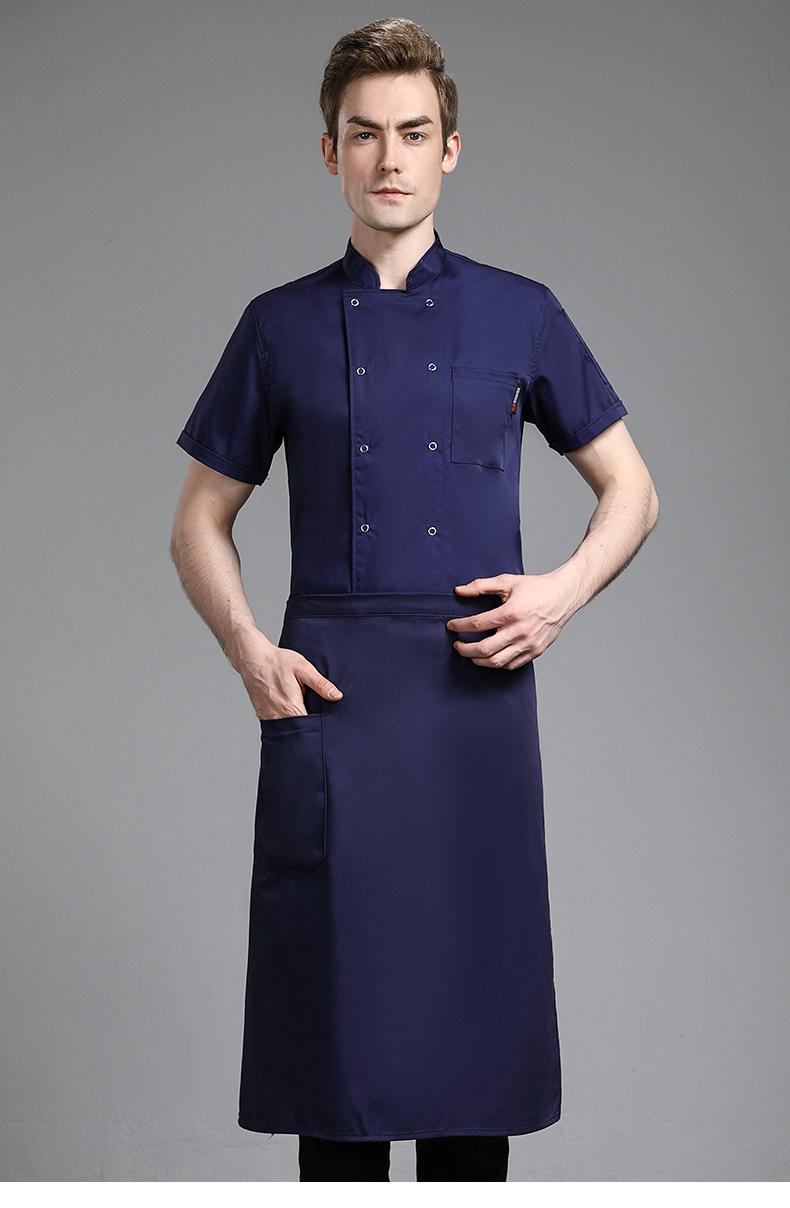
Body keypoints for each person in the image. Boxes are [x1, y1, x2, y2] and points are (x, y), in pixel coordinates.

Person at [169, 17, 659, 1183]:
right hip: (332, 706)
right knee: (335, 1073)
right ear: (328, 151)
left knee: (470, 1063)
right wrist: (249, 649)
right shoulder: (278, 323)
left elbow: (632, 490)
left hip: (471, 707)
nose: (389, 158)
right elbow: (197, 521)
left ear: (450, 149)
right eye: (363, 134)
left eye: (413, 133)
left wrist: (558, 595)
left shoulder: (521, 312)